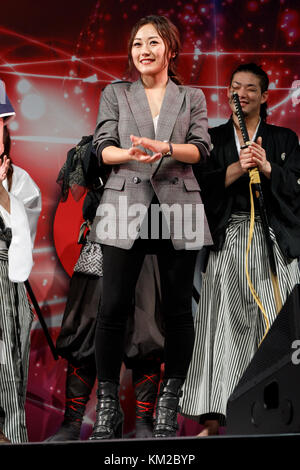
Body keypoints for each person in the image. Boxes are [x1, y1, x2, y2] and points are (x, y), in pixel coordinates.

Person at [87, 14, 212, 440]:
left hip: (179, 204)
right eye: (138, 43)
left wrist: (167, 148)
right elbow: (101, 148)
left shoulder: (191, 95)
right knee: (113, 307)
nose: (144, 50)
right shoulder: (116, 94)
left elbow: (201, 149)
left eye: (153, 42)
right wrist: (131, 154)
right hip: (125, 201)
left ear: (170, 50)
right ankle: (107, 408)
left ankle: (167, 405)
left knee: (178, 310)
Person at [180, 63, 300, 436]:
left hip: (273, 240)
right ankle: (217, 417)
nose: (242, 93)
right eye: (236, 87)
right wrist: (237, 167)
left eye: (251, 88)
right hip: (231, 237)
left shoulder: (283, 138)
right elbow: (199, 187)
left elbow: (296, 186)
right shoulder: (211, 139)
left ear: (265, 97)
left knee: (277, 324)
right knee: (224, 328)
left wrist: (266, 167)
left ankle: (280, 409)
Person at [46, 140, 164, 441]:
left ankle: (143, 423)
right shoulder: (95, 142)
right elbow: (80, 182)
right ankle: (72, 423)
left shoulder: (163, 139)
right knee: (84, 331)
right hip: (102, 240)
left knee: (146, 333)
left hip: (147, 242)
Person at [0, 94, 41, 443]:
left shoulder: (21, 182)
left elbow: (22, 258)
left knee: (6, 373)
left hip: (6, 289)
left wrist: (1, 192)